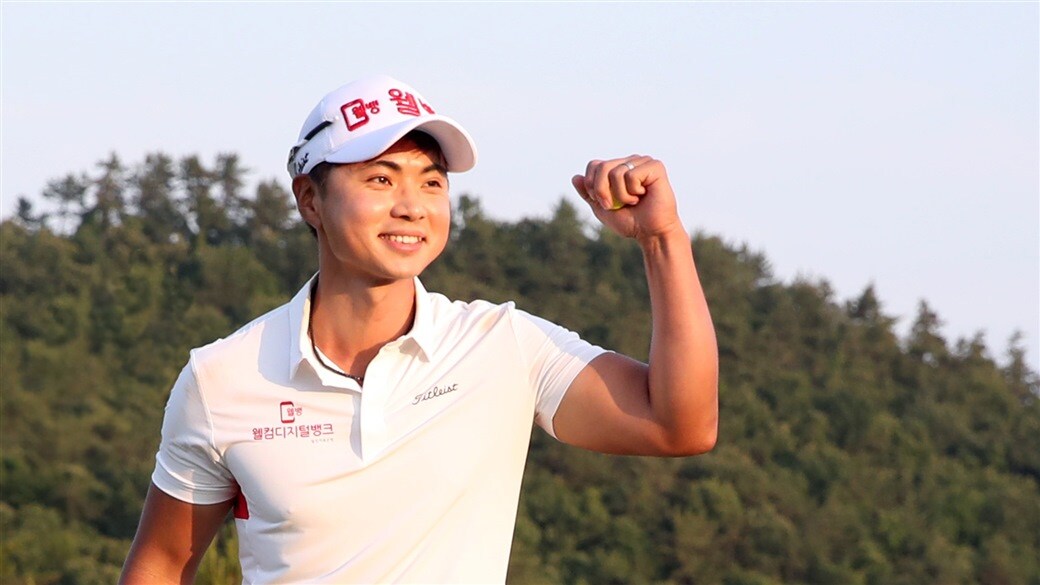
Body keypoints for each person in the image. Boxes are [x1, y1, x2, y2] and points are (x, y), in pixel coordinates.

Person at [120, 74, 718, 584]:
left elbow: (679, 425)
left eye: (431, 182)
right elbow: (163, 564)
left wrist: (663, 239)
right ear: (310, 199)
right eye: (380, 179)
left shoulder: (501, 345)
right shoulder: (222, 376)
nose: (413, 205)